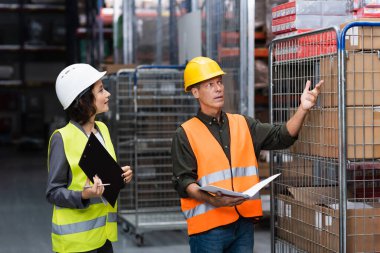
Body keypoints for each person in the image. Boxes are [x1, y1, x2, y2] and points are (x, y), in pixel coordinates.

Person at [171, 56, 323, 253]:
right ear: (195, 92)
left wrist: (303, 108)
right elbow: (183, 181)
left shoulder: (243, 124)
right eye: (210, 84)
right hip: (208, 229)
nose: (218, 88)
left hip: (243, 224)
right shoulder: (185, 133)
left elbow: (283, 136)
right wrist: (212, 199)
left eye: (219, 82)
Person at [46, 63, 133, 253]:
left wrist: (121, 177)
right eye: (101, 90)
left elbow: (105, 177)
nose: (108, 94)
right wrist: (84, 195)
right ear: (84, 100)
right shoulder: (62, 138)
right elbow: (53, 192)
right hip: (76, 244)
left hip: (103, 238)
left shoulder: (103, 130)